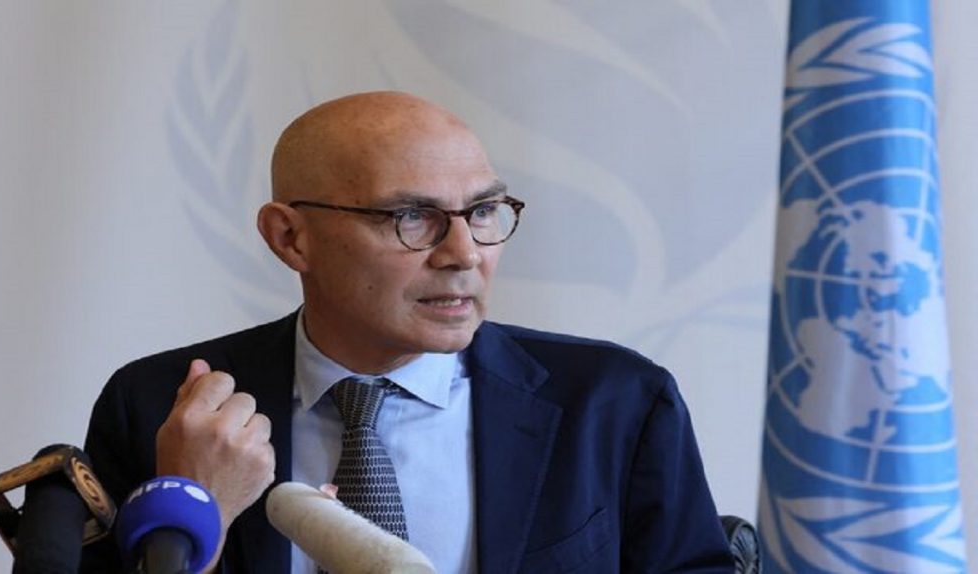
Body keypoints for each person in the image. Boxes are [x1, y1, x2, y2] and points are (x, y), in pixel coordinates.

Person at [81, 91, 733, 573]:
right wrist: (197, 513)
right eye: (412, 217)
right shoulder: (160, 408)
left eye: (483, 211)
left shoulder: (614, 402)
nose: (465, 253)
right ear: (291, 237)